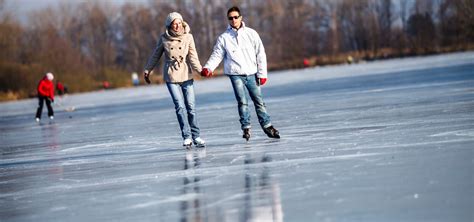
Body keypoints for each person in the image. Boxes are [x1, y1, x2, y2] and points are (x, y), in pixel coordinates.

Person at [201, 6, 280, 141]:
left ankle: (267, 126)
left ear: (241, 18)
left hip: (251, 73)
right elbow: (217, 55)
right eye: (230, 18)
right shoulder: (224, 38)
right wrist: (208, 68)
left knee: (259, 101)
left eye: (235, 17)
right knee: (242, 102)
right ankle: (246, 128)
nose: (233, 20)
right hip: (235, 73)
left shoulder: (251, 33)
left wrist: (262, 74)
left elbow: (260, 54)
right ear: (228, 20)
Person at [143, 12, 206, 147]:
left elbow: (193, 57)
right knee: (179, 106)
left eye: (178, 23)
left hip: (186, 74)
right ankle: (187, 136)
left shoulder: (188, 37)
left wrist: (200, 70)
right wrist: (148, 69)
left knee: (191, 107)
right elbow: (155, 55)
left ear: (182, 23)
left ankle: (197, 136)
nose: (177, 26)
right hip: (171, 75)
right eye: (174, 23)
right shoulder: (164, 38)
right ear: (169, 25)